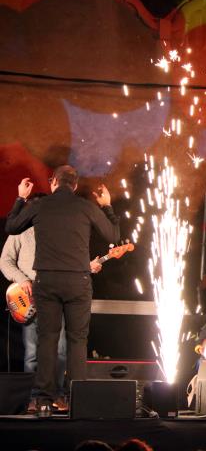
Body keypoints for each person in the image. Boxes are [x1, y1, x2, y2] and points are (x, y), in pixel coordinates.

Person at [5, 166, 120, 417]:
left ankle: (43, 400)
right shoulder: (86, 207)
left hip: (47, 281)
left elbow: (12, 227)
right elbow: (113, 233)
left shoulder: (40, 205)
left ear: (53, 182)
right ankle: (76, 399)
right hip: (78, 282)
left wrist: (21, 198)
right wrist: (107, 206)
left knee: (47, 339)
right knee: (77, 340)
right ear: (75, 186)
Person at [0, 220, 103, 412]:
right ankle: (33, 398)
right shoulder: (20, 232)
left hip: (56, 297)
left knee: (61, 351)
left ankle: (56, 395)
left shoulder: (63, 232)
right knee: (32, 354)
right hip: (30, 298)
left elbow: (69, 266)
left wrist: (87, 267)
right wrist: (22, 280)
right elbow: (5, 261)